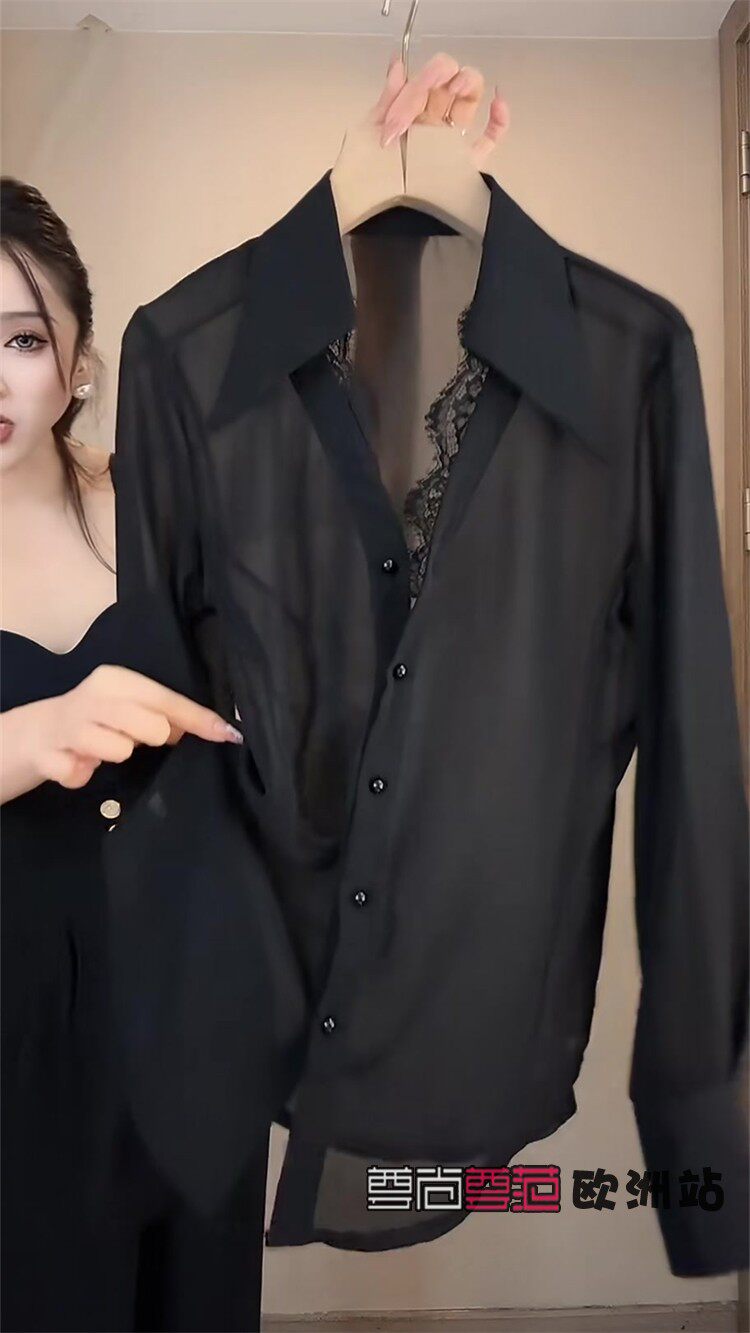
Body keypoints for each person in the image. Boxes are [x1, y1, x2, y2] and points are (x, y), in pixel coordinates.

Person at [0, 55, 508, 1332]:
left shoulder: (164, 493)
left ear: (79, 360)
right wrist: (29, 735)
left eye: (20, 338)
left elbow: (348, 460)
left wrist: (378, 203)